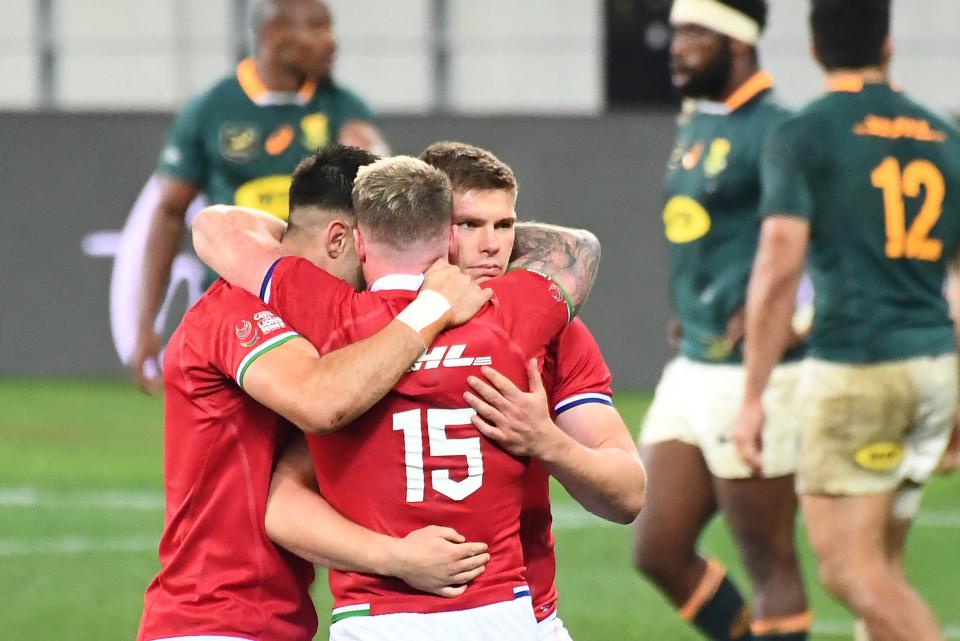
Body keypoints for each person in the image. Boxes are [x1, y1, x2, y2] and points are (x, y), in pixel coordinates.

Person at [198, 141, 646, 641]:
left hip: (458, 616)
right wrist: (398, 558)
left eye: (504, 225)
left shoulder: (337, 322)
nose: (491, 245)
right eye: (469, 225)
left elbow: (628, 494)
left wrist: (548, 442)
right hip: (504, 610)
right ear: (439, 232)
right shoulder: (522, 320)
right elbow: (578, 249)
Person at [136, 147, 492, 641]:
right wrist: (431, 309)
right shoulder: (235, 308)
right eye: (373, 246)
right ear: (341, 239)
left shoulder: (346, 341)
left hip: (276, 621)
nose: (375, 268)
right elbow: (320, 403)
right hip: (211, 620)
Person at [732, 2, 960, 640]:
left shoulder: (805, 133)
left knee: (848, 571)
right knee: (883, 561)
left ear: (812, 48)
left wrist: (752, 398)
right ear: (888, 45)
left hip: (858, 371)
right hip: (933, 369)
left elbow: (779, 267)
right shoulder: (943, 134)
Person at [632, 2, 810, 641]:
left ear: (739, 44)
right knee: (658, 548)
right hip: (694, 365)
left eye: (695, 33)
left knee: (769, 561)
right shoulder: (697, 122)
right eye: (677, 31)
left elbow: (823, 238)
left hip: (755, 374)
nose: (676, 46)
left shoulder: (780, 128)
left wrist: (805, 313)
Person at [130, 0, 387, 394]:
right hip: (235, 304)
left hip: (312, 307)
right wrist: (145, 324)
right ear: (274, 35)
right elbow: (168, 213)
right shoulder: (212, 109)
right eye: (316, 29)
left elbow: (379, 189)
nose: (330, 41)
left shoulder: (341, 107)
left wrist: (373, 155)